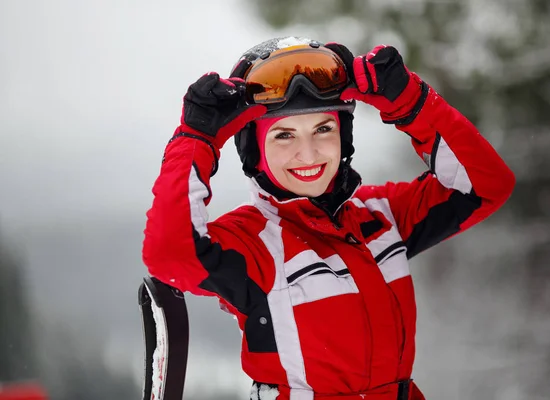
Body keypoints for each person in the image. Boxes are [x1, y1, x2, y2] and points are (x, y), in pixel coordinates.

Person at [142, 36, 515, 400]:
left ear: (344, 137)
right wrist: (195, 140)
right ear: (254, 151)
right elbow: (170, 256)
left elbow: (485, 185)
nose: (309, 153)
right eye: (284, 136)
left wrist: (410, 102)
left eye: (323, 129)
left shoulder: (382, 217)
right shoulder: (254, 242)